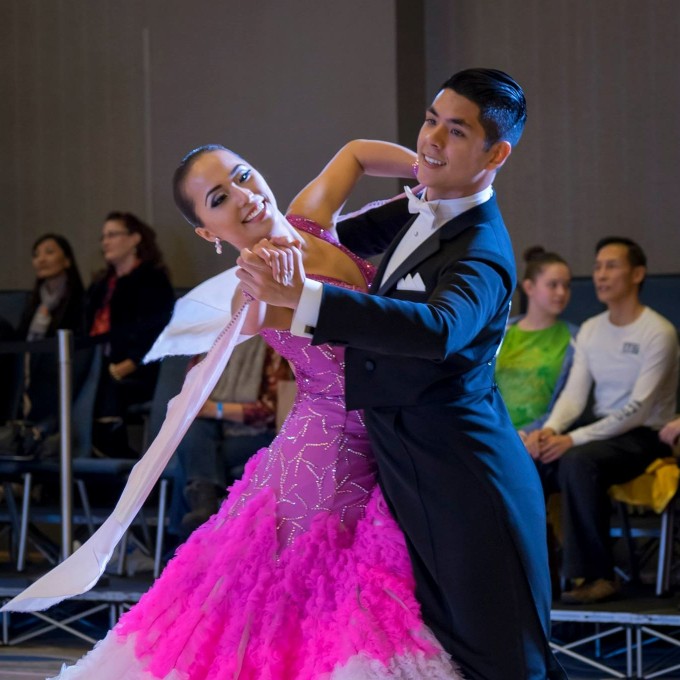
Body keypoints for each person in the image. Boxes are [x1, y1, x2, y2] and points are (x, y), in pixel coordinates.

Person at [47, 134, 463, 678]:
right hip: (331, 457)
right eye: (218, 200)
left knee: (320, 606)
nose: (242, 197)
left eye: (241, 176)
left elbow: (356, 153)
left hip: (376, 437)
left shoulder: (309, 221)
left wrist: (430, 171)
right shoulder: (256, 287)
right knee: (322, 607)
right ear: (207, 231)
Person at [239, 69, 564, 679]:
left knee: (502, 658)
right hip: (407, 474)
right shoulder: (417, 208)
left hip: (466, 480)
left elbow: (437, 330)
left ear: (496, 153)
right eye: (430, 119)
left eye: (457, 130)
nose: (431, 140)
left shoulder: (483, 250)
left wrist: (305, 300)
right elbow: (311, 238)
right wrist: (249, 231)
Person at [525, 236, 679, 605]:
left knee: (579, 460)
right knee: (531, 464)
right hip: (600, 432)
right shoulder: (592, 329)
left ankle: (597, 576)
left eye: (612, 266)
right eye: (597, 266)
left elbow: (639, 409)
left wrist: (572, 440)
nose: (601, 275)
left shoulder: (658, 332)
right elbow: (574, 396)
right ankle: (539, 579)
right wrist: (550, 431)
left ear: (638, 274)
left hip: (645, 435)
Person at [173, 335, 293, 535]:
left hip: (259, 435)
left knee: (191, 459)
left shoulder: (272, 346)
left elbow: (272, 412)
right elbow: (189, 401)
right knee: (195, 432)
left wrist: (216, 409)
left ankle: (183, 538)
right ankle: (205, 507)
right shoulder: (207, 344)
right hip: (212, 434)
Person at [87, 212, 175, 457]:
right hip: (99, 367)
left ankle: (114, 456)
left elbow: (158, 332)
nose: (105, 242)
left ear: (135, 238)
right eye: (103, 237)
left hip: (137, 371)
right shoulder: (101, 285)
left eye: (112, 235)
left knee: (104, 388)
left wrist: (128, 364)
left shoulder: (152, 280)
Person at [495, 246, 577, 434]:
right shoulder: (501, 331)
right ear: (529, 287)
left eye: (566, 285)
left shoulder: (575, 338)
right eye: (553, 285)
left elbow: (569, 401)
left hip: (538, 437)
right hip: (493, 432)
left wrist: (532, 432)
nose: (561, 293)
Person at [16, 234, 86, 444]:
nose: (41, 259)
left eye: (49, 252)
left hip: (59, 375)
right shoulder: (33, 303)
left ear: (67, 260)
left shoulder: (80, 300)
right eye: (36, 255)